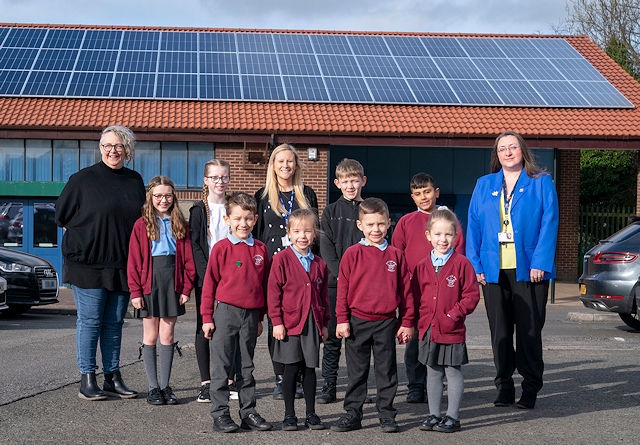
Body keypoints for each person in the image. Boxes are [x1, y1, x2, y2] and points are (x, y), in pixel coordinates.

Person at [466, 130, 559, 410]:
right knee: (501, 331)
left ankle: (530, 387)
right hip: (493, 270)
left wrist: (540, 263)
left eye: (513, 147)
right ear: (496, 155)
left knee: (529, 330)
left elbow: (550, 222)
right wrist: (475, 265)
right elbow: (473, 227)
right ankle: (503, 385)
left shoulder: (541, 182)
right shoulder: (484, 184)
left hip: (529, 269)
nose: (508, 153)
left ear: (523, 151)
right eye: (502, 149)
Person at [55, 125, 145, 401]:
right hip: (88, 263)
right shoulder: (82, 179)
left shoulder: (134, 181)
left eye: (118, 146)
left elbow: (141, 222)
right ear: (100, 148)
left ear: (127, 149)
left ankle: (113, 377)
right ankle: (87, 378)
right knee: (91, 321)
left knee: (114, 322)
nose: (112, 151)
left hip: (120, 263)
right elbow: (62, 216)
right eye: (107, 145)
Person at [331, 197, 415, 434]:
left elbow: (406, 293)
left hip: (386, 322)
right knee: (356, 372)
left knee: (386, 371)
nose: (375, 229)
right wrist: (342, 319)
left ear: (389, 223)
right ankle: (353, 413)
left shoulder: (396, 255)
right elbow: (343, 290)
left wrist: (407, 322)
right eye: (370, 225)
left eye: (380, 224)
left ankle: (387, 413)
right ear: (360, 226)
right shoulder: (352, 254)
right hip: (357, 322)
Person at [201, 192, 272, 433]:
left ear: (256, 219)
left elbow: (263, 287)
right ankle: (220, 413)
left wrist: (261, 317)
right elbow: (209, 284)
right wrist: (207, 318)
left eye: (248, 218)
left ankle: (248, 411)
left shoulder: (261, 249)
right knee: (222, 366)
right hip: (225, 313)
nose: (243, 223)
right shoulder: (221, 249)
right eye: (238, 218)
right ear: (227, 219)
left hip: (251, 316)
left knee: (246, 367)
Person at [391, 172, 465, 403]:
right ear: (412, 197)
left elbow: (459, 254)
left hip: (443, 293)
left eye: (427, 192)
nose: (423, 197)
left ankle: (437, 381)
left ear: (436, 192)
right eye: (417, 194)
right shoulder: (406, 222)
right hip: (414, 294)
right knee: (413, 341)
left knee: (441, 336)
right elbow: (397, 255)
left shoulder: (450, 219)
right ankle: (415, 385)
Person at [253, 143, 318, 399]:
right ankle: (281, 377)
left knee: (301, 321)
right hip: (273, 269)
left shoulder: (307, 193)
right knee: (277, 323)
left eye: (290, 161)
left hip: (301, 269)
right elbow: (258, 237)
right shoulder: (262, 195)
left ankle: (299, 376)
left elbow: (316, 230)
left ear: (296, 165)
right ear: (272, 165)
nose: (285, 166)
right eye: (280, 161)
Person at [127, 176, 196, 405]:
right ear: (150, 197)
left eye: (167, 195)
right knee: (151, 335)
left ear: (173, 196)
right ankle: (153, 388)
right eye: (158, 196)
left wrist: (186, 287)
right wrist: (135, 292)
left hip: (172, 283)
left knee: (167, 335)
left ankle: (166, 387)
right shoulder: (141, 225)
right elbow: (134, 262)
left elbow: (188, 261)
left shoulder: (181, 224)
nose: (163, 200)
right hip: (149, 283)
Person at [411, 208, 480, 433]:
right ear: (428, 235)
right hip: (429, 329)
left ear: (456, 236)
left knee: (452, 370)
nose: (443, 239)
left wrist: (453, 315)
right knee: (432, 371)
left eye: (448, 235)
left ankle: (453, 417)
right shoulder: (421, 266)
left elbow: (471, 295)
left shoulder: (462, 264)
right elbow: (415, 296)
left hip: (452, 329)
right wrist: (417, 322)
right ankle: (434, 415)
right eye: (438, 234)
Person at [268, 208, 330, 431]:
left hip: (312, 324)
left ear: (314, 234)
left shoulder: (319, 264)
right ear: (289, 233)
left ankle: (311, 414)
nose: (302, 236)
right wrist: (277, 322)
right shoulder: (281, 260)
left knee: (310, 370)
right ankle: (289, 415)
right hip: (289, 324)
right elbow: (273, 293)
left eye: (307, 231)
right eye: (297, 231)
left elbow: (323, 298)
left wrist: (324, 323)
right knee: (291, 369)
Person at [189, 159, 239, 403]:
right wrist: (207, 275)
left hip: (233, 279)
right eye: (215, 177)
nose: (220, 182)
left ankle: (230, 379)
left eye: (224, 177)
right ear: (206, 180)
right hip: (207, 278)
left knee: (232, 328)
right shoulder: (198, 210)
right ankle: (206, 383)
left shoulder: (235, 207)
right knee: (205, 326)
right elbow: (196, 246)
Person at [317, 158, 366, 404]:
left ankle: (359, 388)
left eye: (354, 180)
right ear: (337, 183)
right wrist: (342, 275)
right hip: (335, 286)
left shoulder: (370, 209)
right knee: (333, 340)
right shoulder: (330, 212)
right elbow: (326, 249)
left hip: (365, 287)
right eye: (345, 181)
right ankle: (328, 386)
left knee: (359, 342)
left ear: (363, 181)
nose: (350, 185)